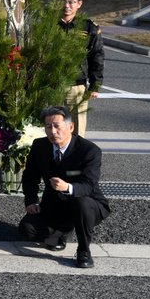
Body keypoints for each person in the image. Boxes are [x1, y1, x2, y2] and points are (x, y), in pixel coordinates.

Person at [18, 106, 109, 269]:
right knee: (28, 229)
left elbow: (89, 184)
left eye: (57, 126)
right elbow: (30, 176)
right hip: (54, 203)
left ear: (71, 127)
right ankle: (62, 232)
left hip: (88, 202)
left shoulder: (89, 150)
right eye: (48, 126)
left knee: (80, 204)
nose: (52, 131)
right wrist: (31, 201)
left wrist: (68, 187)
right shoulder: (40, 146)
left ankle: (84, 250)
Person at [57, 0, 103, 135]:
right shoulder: (46, 24)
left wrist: (95, 85)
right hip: (50, 85)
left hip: (76, 85)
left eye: (71, 2)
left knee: (77, 128)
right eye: (63, 2)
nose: (67, 6)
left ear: (79, 4)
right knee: (52, 127)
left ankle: (76, 157)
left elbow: (96, 56)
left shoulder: (88, 27)